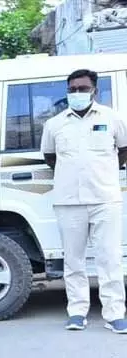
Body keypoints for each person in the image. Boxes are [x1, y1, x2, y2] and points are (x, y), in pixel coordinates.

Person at [41, 68, 127, 333]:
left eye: (82, 88)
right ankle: (77, 312)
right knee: (73, 260)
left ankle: (115, 314)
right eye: (72, 89)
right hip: (69, 202)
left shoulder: (112, 118)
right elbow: (50, 157)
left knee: (109, 258)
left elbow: (123, 151)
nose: (77, 93)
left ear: (94, 91)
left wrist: (102, 175)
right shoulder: (55, 124)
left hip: (105, 200)